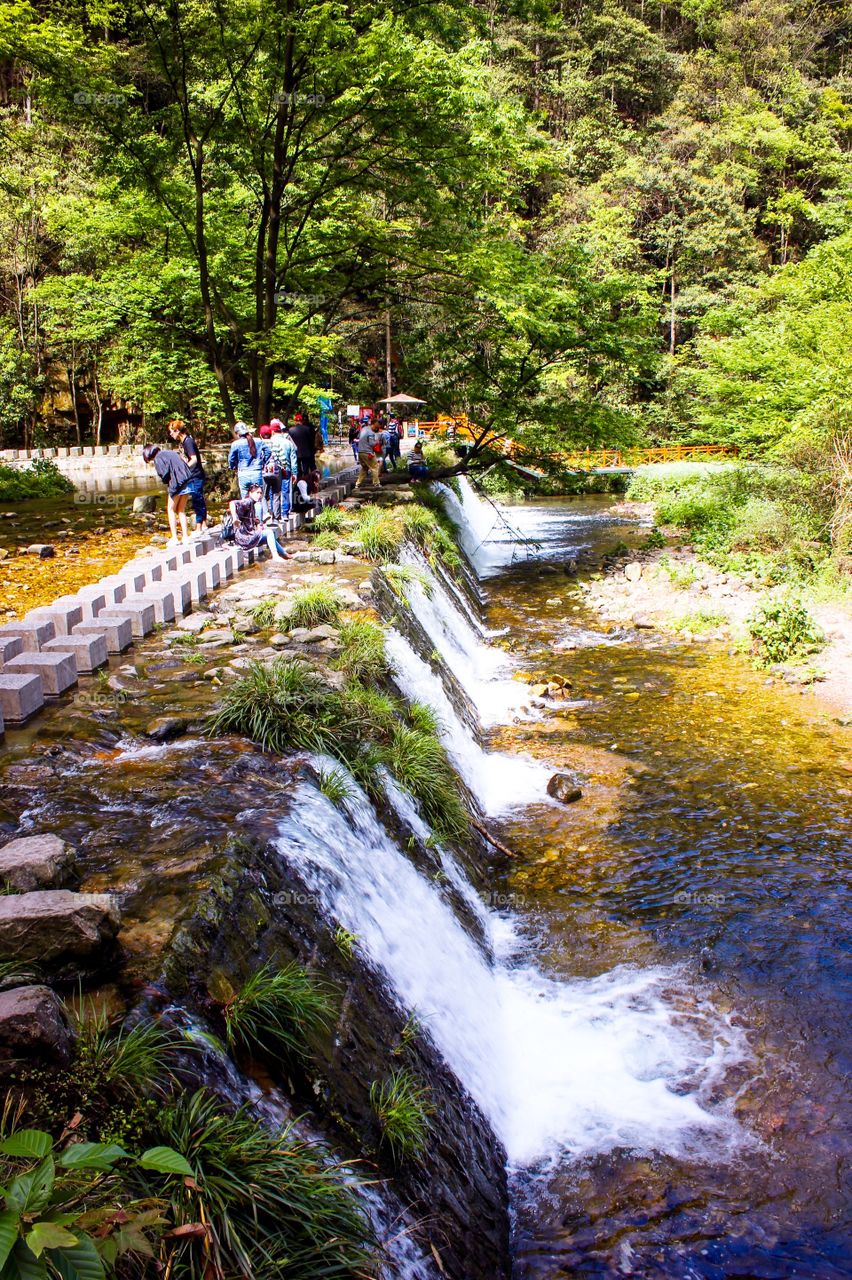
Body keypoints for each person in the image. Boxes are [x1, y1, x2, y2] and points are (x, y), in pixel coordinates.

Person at [142, 443, 193, 545]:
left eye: (150, 461)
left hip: (177, 484)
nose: (152, 462)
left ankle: (174, 538)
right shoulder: (170, 452)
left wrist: (166, 482)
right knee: (181, 510)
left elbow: (164, 474)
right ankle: (185, 537)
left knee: (170, 510)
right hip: (188, 481)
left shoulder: (158, 458)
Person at [229, 483, 291, 560]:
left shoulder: (252, 504)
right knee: (269, 532)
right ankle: (275, 556)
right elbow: (232, 503)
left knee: (270, 537)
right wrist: (235, 518)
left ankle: (285, 555)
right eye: (257, 493)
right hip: (244, 538)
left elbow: (249, 519)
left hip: (247, 537)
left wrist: (256, 522)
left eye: (261, 493)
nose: (259, 495)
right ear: (250, 493)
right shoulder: (248, 501)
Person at [167, 419, 207, 534]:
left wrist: (184, 469)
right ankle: (203, 524)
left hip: (196, 474)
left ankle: (199, 526)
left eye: (171, 432)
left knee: (197, 499)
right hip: (192, 475)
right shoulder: (183, 442)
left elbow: (194, 459)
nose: (170, 434)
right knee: (198, 498)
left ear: (177, 430)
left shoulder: (188, 442)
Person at [228, 421, 264, 501]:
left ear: (237, 434)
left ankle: (248, 513)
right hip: (257, 472)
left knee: (245, 500)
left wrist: (233, 467)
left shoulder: (235, 444)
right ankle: (259, 514)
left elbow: (231, 459)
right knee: (258, 500)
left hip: (243, 473)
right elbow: (268, 452)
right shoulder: (258, 441)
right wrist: (263, 463)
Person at [270, 419, 298, 518]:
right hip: (286, 469)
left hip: (273, 470)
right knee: (285, 491)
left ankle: (274, 514)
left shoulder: (269, 442)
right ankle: (285, 513)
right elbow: (293, 459)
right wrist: (295, 473)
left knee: (273, 492)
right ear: (281, 431)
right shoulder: (288, 443)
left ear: (272, 431)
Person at [258, 424, 284, 522]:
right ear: (271, 434)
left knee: (264, 495)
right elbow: (281, 458)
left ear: (260, 435)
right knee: (276, 494)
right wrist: (283, 467)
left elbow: (259, 458)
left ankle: (267, 514)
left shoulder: (259, 444)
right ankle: (277, 517)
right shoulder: (275, 443)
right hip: (276, 471)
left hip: (264, 472)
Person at [288, 411, 315, 478]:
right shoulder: (307, 429)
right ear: (302, 420)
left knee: (298, 469)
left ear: (295, 421)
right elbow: (311, 440)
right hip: (306, 452)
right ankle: (306, 482)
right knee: (306, 470)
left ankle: (298, 483)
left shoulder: (291, 430)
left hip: (296, 452)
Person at [355, 418, 381, 489]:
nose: (377, 428)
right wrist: (377, 441)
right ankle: (376, 483)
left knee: (365, 468)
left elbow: (358, 437)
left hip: (360, 452)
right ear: (375, 424)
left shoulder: (363, 429)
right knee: (375, 467)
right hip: (367, 453)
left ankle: (358, 484)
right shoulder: (371, 433)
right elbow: (372, 443)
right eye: (377, 426)